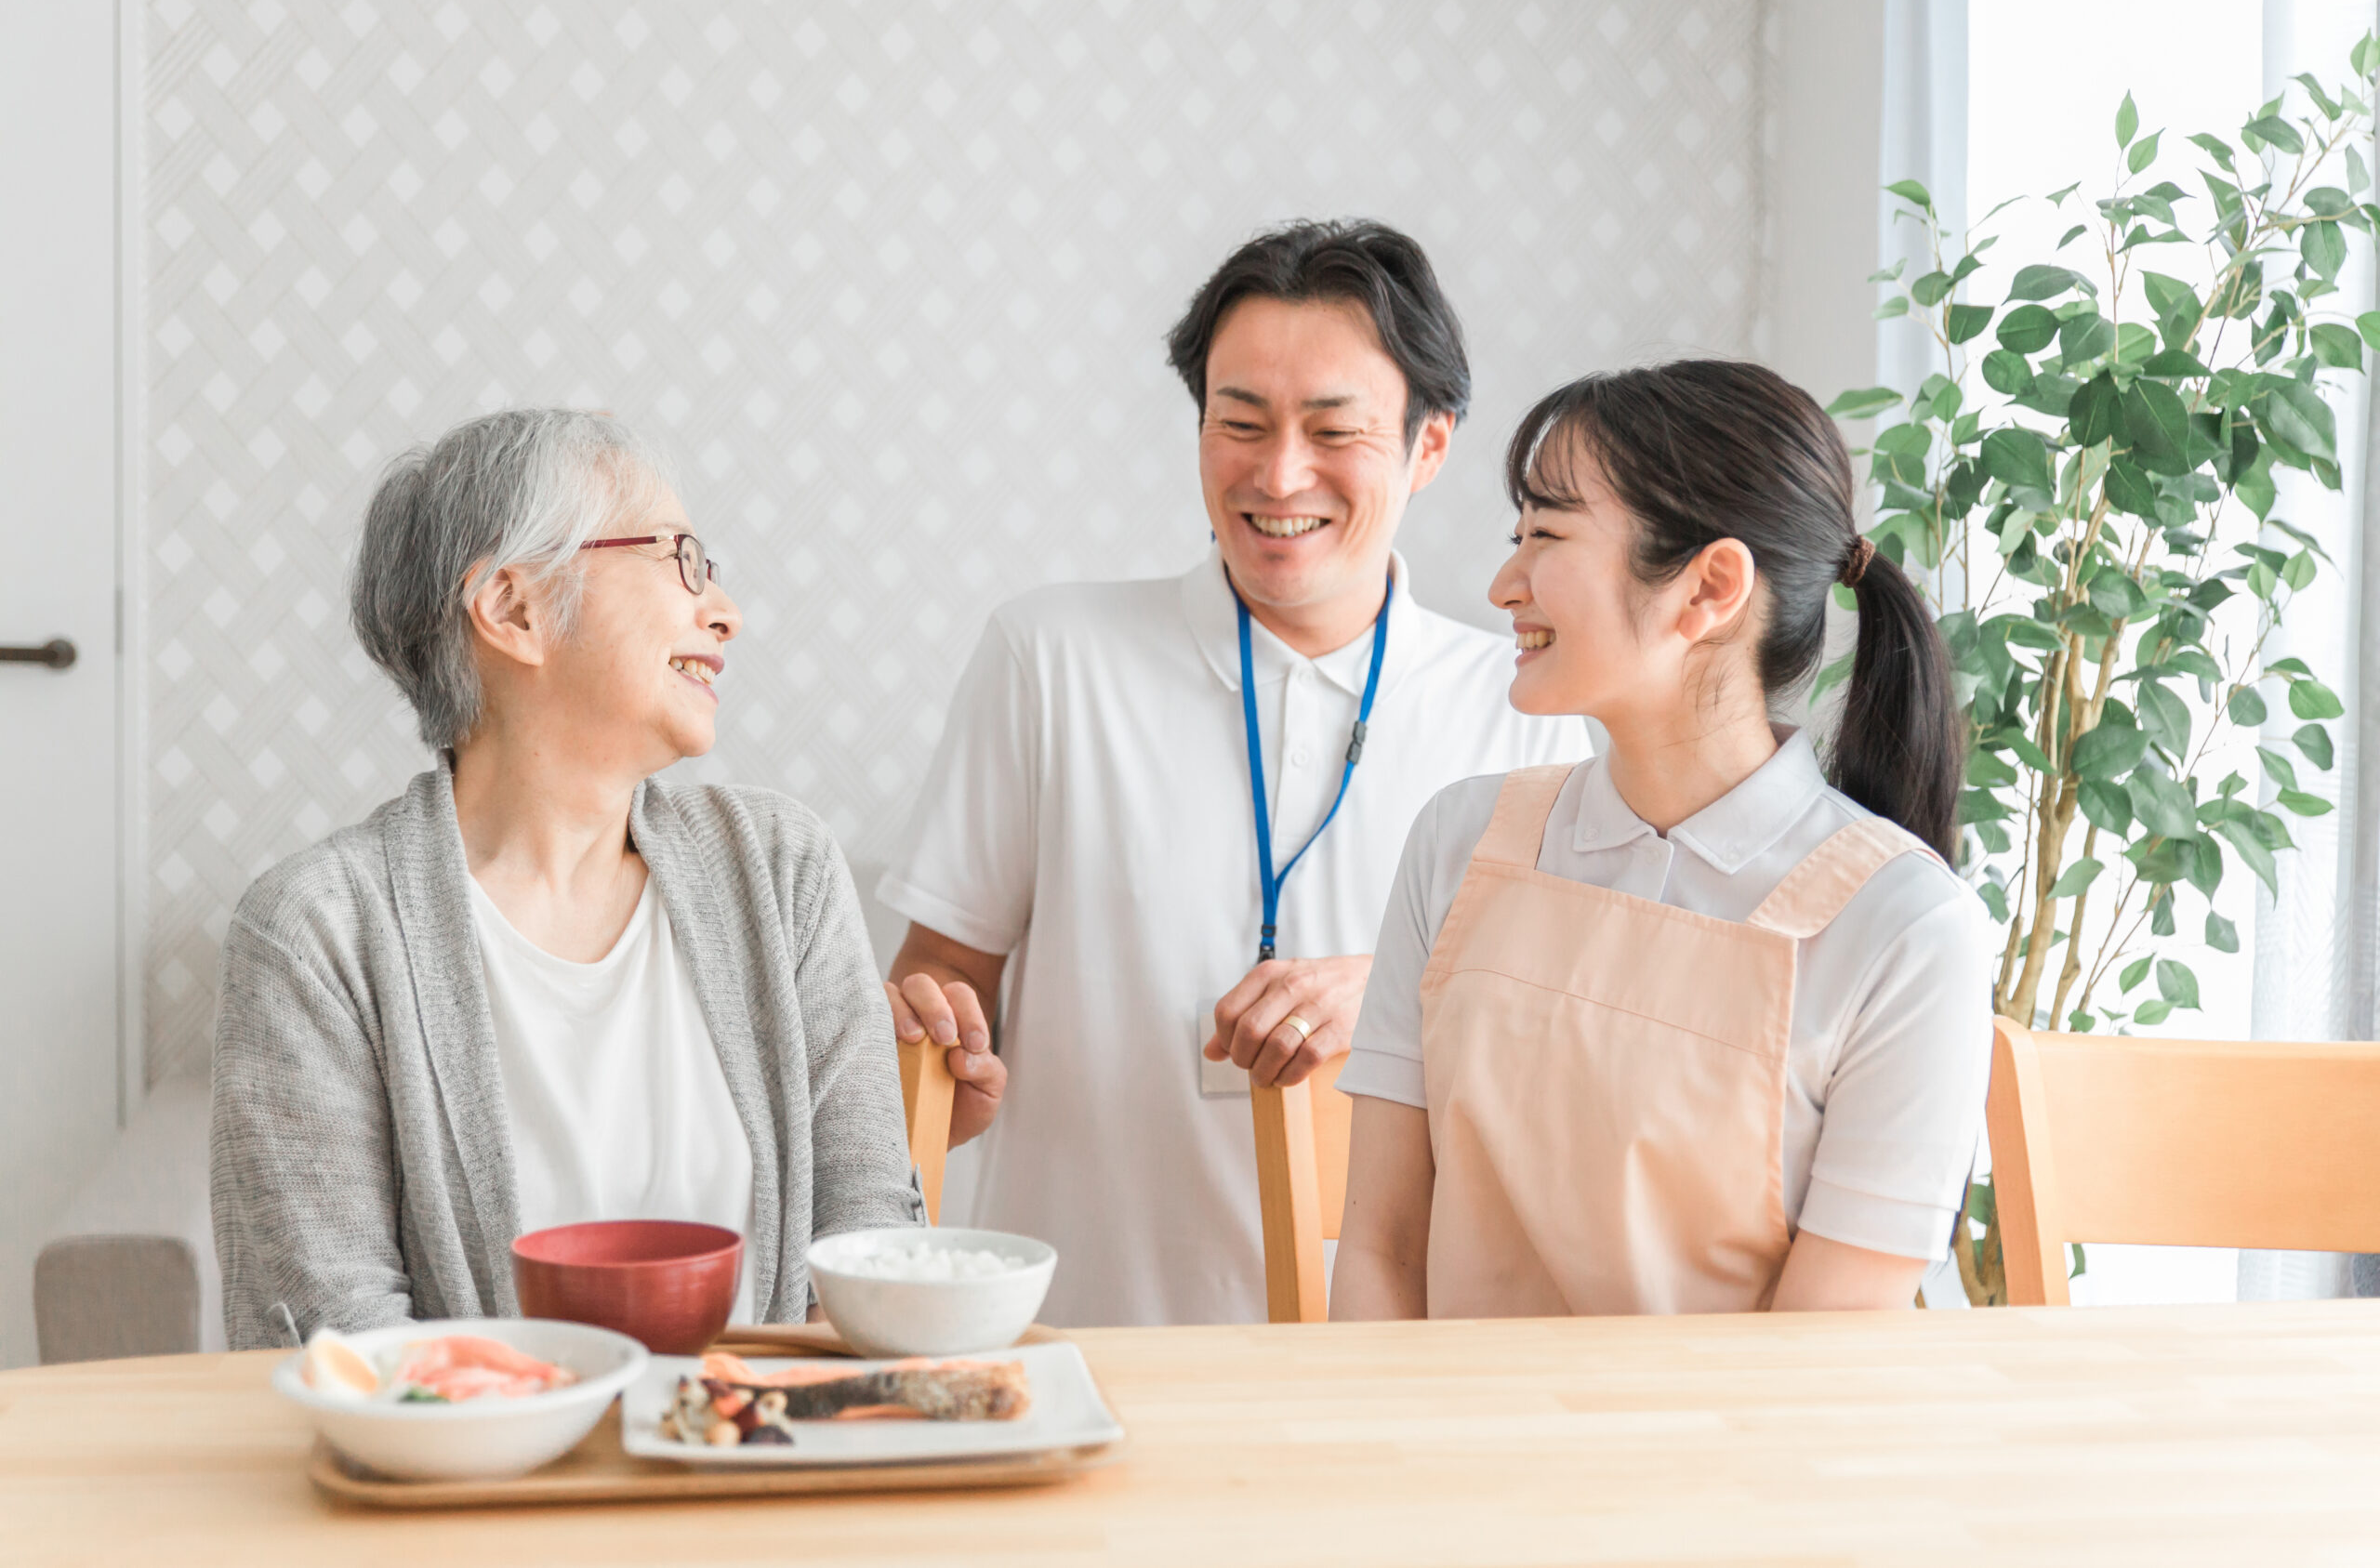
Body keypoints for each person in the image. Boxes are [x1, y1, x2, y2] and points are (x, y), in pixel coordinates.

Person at [876, 219, 1590, 1326]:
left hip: (1398, 1370)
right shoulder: (1051, 658)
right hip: (1083, 1341)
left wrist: (1406, 990)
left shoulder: (1529, 708)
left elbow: (1577, 1064)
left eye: (1333, 430)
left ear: (1429, 447)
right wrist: (928, 1060)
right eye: (1239, 423)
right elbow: (939, 999)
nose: (1278, 474)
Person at [209, 409, 919, 1350]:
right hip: (469, 1484)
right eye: (680, 560)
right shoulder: (318, 931)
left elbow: (869, 1252)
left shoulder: (782, 871)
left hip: (765, 1469)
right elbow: (333, 1339)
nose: (724, 610)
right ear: (512, 609)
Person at [1332, 360, 1992, 1321]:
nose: (1501, 584)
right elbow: (1381, 1253)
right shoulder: (1460, 840)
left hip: (1737, 1463)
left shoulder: (1905, 928)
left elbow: (1823, 1361)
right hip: (1454, 1454)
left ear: (1709, 586)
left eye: (1546, 536)